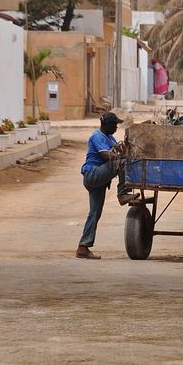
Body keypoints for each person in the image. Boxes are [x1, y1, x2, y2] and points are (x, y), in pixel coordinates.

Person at [76, 111, 136, 260]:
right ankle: (122, 193)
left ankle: (83, 247)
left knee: (95, 213)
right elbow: (105, 155)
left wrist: (125, 148)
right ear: (107, 125)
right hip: (93, 175)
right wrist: (122, 156)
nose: (116, 127)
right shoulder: (97, 137)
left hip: (99, 179)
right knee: (121, 162)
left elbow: (118, 149)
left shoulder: (109, 137)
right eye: (115, 124)